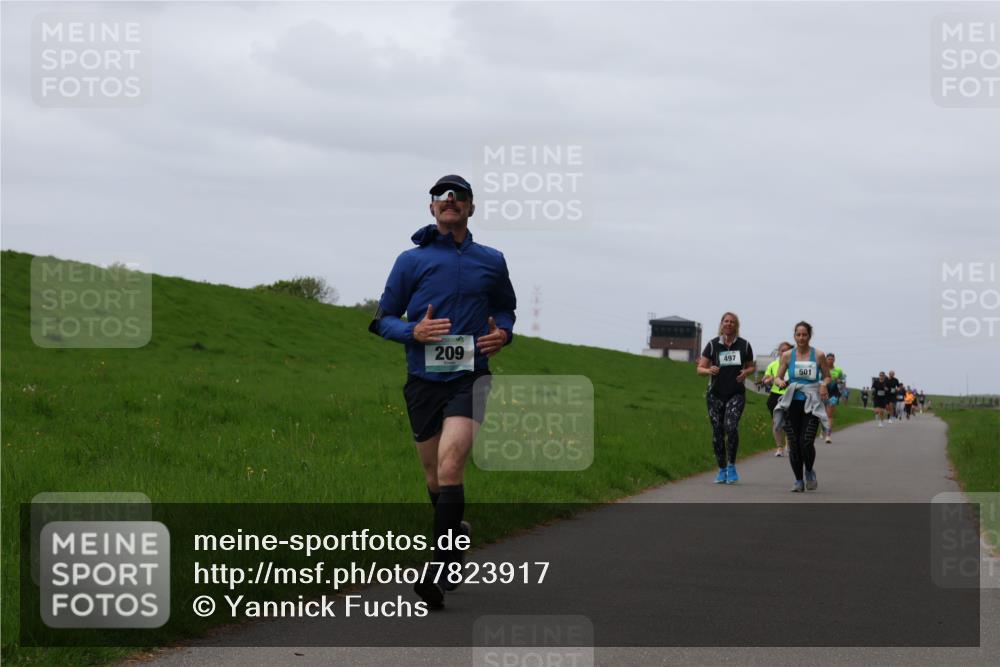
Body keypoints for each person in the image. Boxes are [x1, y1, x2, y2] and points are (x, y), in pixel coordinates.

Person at [369, 174, 516, 609]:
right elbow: (382, 318)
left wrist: (503, 334)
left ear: (471, 208)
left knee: (452, 467)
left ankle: (438, 569)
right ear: (431, 208)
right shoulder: (409, 261)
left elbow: (505, 308)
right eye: (441, 196)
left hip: (471, 376)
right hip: (423, 381)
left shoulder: (492, 260)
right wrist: (413, 330)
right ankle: (456, 536)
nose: (450, 200)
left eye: (459, 196)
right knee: (434, 477)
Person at [697, 312, 755, 484]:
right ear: (721, 324)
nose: (729, 324)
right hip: (715, 394)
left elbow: (751, 366)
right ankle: (721, 469)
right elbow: (700, 368)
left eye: (732, 322)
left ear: (736, 325)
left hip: (736, 393)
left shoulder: (744, 345)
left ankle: (731, 466)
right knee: (717, 431)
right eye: (726, 321)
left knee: (730, 426)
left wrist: (746, 372)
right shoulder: (713, 345)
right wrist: (709, 371)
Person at [773, 322, 831, 492]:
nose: (801, 338)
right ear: (794, 336)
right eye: (798, 335)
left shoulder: (818, 355)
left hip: (811, 402)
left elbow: (827, 377)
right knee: (793, 443)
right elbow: (777, 377)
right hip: (792, 402)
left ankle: (810, 471)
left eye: (804, 335)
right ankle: (798, 480)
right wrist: (781, 382)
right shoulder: (787, 356)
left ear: (809, 336)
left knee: (806, 442)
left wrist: (823, 385)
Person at [762, 341, 793, 457]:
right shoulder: (772, 365)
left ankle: (789, 445)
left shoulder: (794, 364)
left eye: (787, 350)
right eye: (782, 350)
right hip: (775, 395)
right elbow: (764, 380)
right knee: (776, 422)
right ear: (779, 352)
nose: (784, 352)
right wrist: (768, 380)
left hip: (790, 395)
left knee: (789, 422)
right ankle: (779, 447)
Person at [823, 353, 845, 443]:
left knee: (830, 414)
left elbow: (842, 381)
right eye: (829, 359)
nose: (830, 360)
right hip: (823, 393)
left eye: (832, 359)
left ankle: (828, 435)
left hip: (833, 394)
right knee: (822, 414)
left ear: (834, 360)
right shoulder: (822, 369)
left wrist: (839, 381)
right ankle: (823, 429)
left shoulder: (838, 370)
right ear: (825, 360)